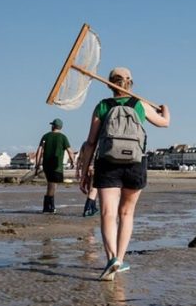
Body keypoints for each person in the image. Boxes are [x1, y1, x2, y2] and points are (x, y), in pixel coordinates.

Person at [78, 67, 170, 281]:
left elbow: (91, 142)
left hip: (107, 162)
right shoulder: (139, 104)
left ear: (109, 84)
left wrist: (84, 171)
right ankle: (119, 258)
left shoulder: (102, 106)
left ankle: (111, 258)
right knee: (126, 214)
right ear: (131, 83)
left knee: (107, 213)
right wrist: (166, 109)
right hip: (135, 163)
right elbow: (164, 123)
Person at [35, 118, 76, 214]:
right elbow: (70, 151)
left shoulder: (45, 136)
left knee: (52, 184)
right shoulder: (63, 137)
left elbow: (39, 151)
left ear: (53, 126)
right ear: (60, 127)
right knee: (52, 185)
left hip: (47, 165)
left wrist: (37, 164)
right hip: (57, 165)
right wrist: (73, 161)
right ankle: (49, 207)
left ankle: (49, 206)